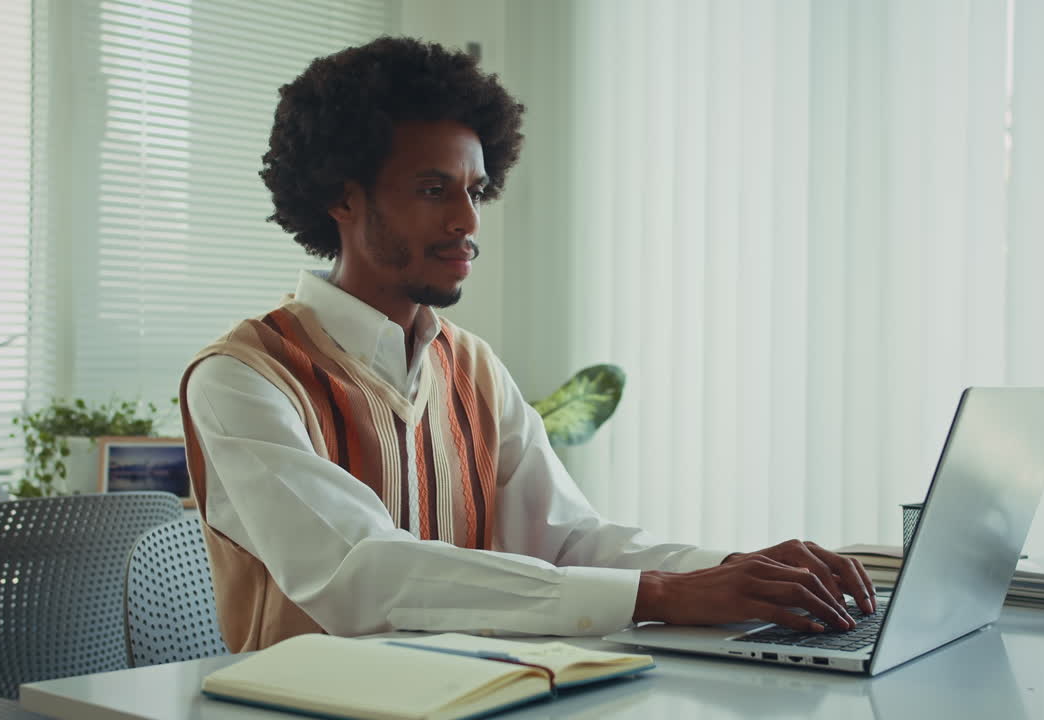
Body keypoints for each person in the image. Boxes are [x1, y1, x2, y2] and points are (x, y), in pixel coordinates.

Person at [180, 36, 876, 653]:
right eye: (433, 189)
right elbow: (359, 571)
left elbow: (569, 539)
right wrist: (658, 594)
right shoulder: (242, 378)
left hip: (475, 700)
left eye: (477, 191)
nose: (467, 221)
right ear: (342, 197)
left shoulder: (472, 367)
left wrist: (737, 574)